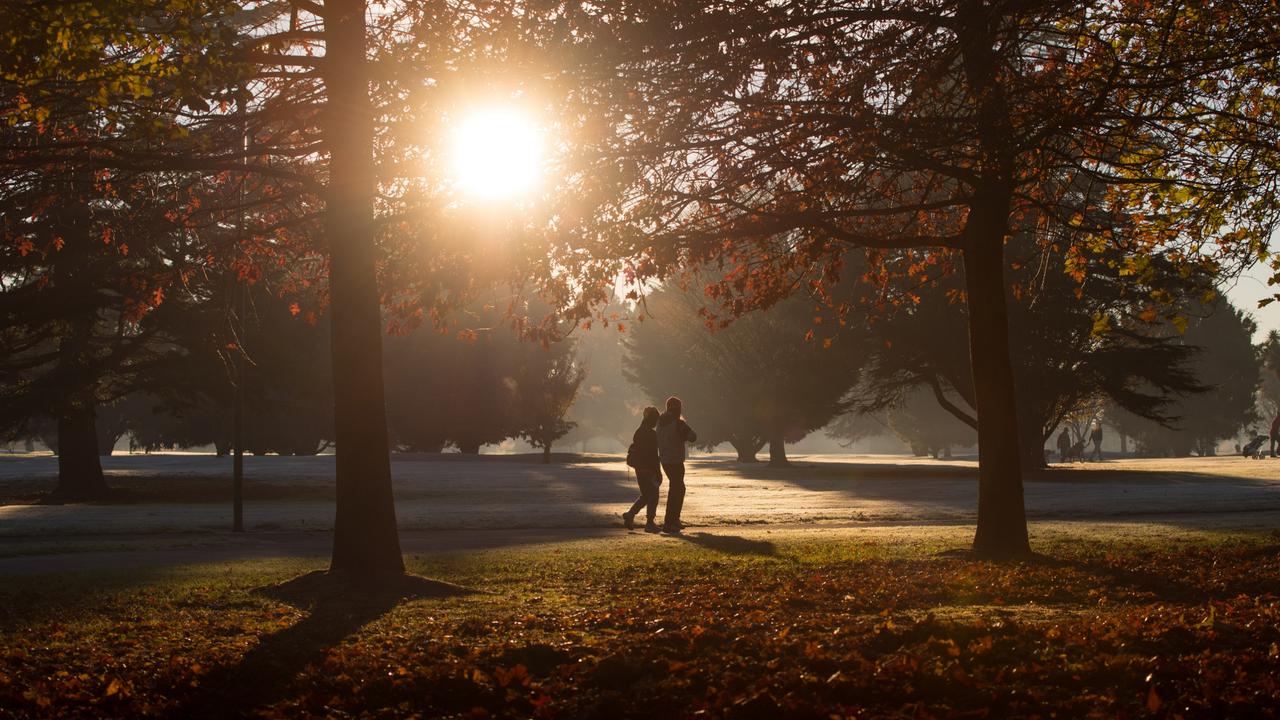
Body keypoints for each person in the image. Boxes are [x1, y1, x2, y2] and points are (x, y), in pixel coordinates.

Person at [656, 396, 697, 534]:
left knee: (677, 488)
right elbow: (692, 437)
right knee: (677, 490)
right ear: (678, 408)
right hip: (676, 461)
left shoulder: (660, 423)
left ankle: (673, 520)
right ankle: (670, 521)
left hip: (665, 460)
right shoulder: (678, 424)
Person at [622, 406, 663, 533]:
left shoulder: (638, 432)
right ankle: (650, 523)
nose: (656, 422)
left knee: (646, 495)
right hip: (649, 469)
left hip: (639, 469)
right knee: (653, 496)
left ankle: (630, 514)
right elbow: (653, 455)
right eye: (655, 419)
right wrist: (658, 472)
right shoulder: (651, 434)